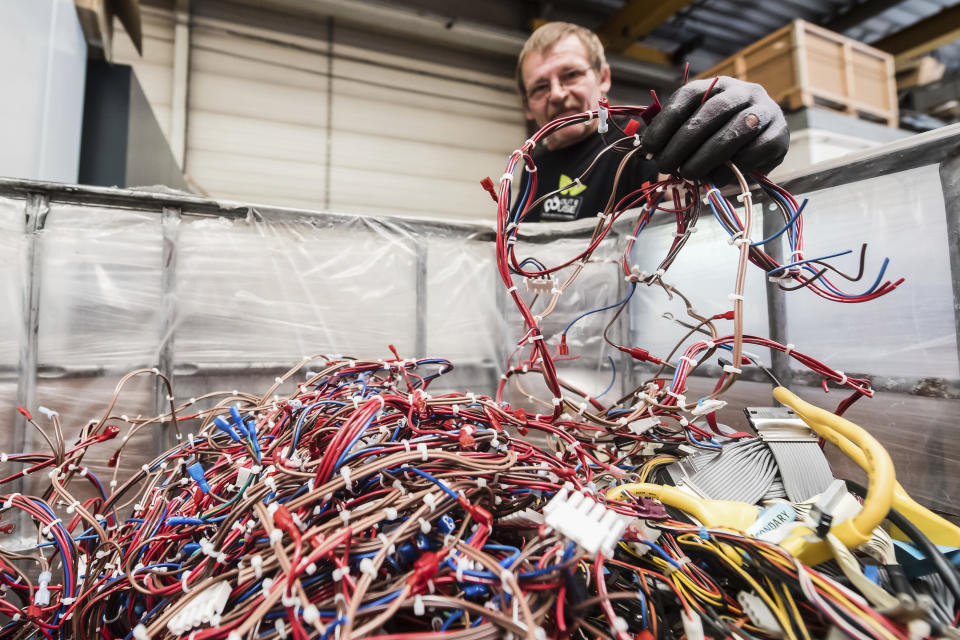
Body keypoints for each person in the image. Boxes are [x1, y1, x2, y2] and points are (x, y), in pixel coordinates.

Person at [515, 22, 790, 222]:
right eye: (540, 87)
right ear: (527, 106)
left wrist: (744, 128)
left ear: (603, 78)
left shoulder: (642, 141)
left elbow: (686, 187)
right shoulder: (533, 167)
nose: (557, 94)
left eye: (571, 74)